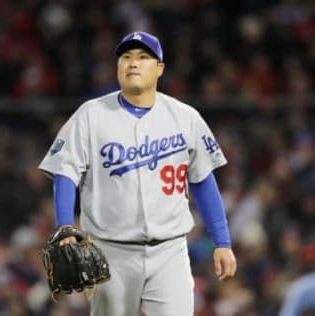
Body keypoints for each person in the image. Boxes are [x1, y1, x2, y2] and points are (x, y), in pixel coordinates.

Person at [38, 31, 236, 316]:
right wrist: (65, 226)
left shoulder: (185, 117)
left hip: (170, 251)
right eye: (126, 57)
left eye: (143, 57)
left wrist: (223, 242)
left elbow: (203, 180)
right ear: (117, 67)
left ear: (160, 69)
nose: (133, 63)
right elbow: (65, 172)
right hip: (110, 252)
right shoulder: (91, 115)